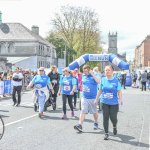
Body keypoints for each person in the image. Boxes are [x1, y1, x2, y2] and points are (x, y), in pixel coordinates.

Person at [95, 65, 123, 140]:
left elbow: (119, 91)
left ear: (112, 71)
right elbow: (100, 90)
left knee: (113, 118)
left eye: (109, 70)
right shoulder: (103, 80)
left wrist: (121, 100)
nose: (107, 71)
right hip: (104, 102)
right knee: (105, 117)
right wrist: (96, 99)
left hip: (114, 103)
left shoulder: (116, 81)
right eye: (106, 70)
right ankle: (106, 133)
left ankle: (114, 125)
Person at [74, 65, 100, 132]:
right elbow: (81, 83)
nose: (85, 72)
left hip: (93, 98)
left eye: (86, 71)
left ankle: (96, 122)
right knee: (83, 110)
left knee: (94, 112)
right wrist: (79, 87)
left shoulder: (94, 76)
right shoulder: (83, 76)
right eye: (84, 71)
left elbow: (98, 81)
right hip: (84, 97)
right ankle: (80, 125)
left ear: (89, 70)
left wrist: (92, 74)